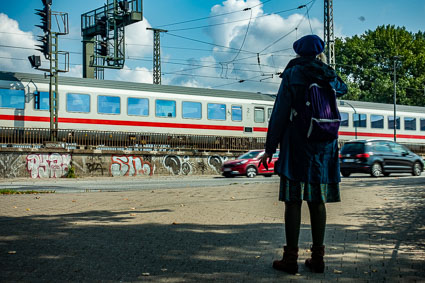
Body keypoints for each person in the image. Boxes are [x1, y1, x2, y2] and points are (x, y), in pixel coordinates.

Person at [260, 34, 348, 274]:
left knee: (293, 200)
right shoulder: (329, 75)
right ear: (319, 53)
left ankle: (290, 259)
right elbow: (343, 89)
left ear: (299, 53)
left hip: (297, 145)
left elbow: (280, 112)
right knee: (318, 201)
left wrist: (270, 148)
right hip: (324, 146)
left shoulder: (292, 73)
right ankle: (318, 258)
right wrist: (326, 69)